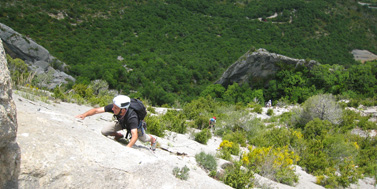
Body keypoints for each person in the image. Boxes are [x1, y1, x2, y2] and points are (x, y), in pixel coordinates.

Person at [75, 95, 157, 150]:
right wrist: (84, 115)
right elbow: (96, 110)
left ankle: (152, 139)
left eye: (116, 108)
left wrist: (127, 148)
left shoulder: (132, 117)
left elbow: (134, 136)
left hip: (134, 126)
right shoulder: (116, 107)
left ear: (123, 109)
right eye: (113, 107)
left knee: (144, 139)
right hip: (122, 122)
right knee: (104, 131)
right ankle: (119, 135)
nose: (113, 109)